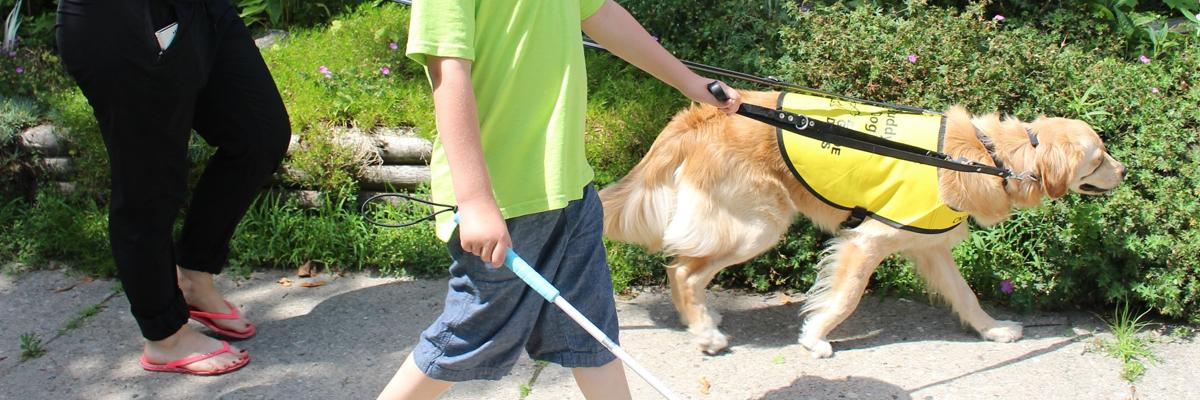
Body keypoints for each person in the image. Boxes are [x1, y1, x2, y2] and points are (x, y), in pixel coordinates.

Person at [376, 0, 742, 398]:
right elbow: (448, 74)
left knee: (593, 332)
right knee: (467, 337)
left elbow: (600, 13)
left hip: (570, 189)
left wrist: (690, 83)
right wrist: (476, 199)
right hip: (505, 199)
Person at [56, 0, 290, 375]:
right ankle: (165, 337)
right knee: (149, 182)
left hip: (202, 10)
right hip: (123, 19)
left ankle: (194, 275)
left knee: (259, 134)